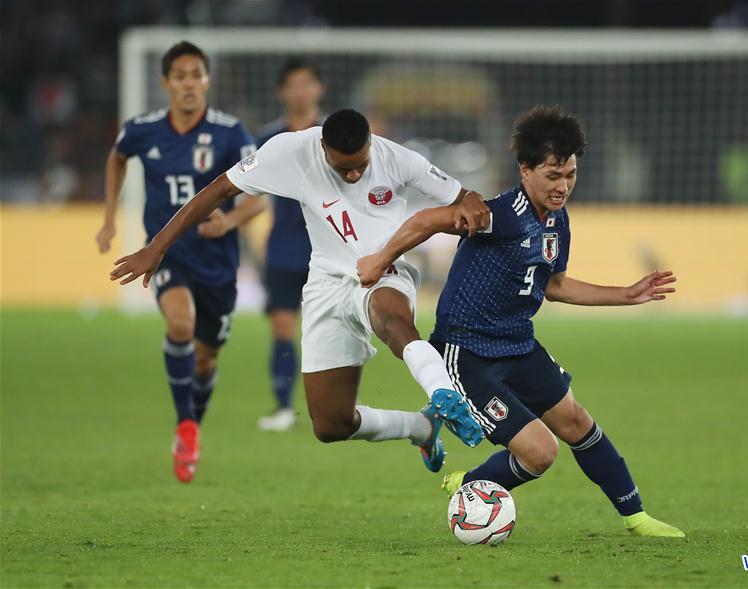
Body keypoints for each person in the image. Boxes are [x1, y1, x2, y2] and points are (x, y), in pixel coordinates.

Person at [357, 106, 685, 537]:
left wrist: (625, 294)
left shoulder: (556, 220)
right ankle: (472, 484)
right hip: (467, 354)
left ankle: (637, 517)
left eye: (570, 174)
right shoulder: (499, 216)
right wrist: (381, 259)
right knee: (540, 454)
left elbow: (556, 286)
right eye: (552, 175)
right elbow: (426, 219)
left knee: (577, 423)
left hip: (518, 344)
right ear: (525, 169)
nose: (563, 185)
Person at [109, 109, 490, 475]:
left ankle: (444, 393)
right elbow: (218, 190)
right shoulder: (288, 152)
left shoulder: (397, 158)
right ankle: (422, 428)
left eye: (362, 163)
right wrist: (156, 247)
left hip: (384, 270)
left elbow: (463, 196)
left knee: (392, 319)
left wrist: (472, 201)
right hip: (326, 283)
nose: (356, 173)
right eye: (344, 168)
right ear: (323, 149)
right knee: (330, 424)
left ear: (370, 142)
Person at [95, 41, 264, 483]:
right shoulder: (143, 129)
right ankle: (186, 426)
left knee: (206, 360)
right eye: (181, 76)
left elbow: (258, 199)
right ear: (166, 82)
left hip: (217, 262)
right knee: (181, 325)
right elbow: (116, 158)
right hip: (167, 253)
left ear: (207, 80)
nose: (189, 84)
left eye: (197, 75)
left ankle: (190, 425)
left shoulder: (230, 132)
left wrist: (227, 222)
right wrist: (111, 217)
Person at [255, 59, 324, 432]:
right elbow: (252, 194)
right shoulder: (267, 138)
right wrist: (229, 220)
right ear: (282, 92)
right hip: (282, 247)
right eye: (293, 84)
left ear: (319, 89)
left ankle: (340, 404)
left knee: (337, 329)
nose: (300, 91)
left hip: (328, 248)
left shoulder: (335, 135)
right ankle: (283, 407)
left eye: (307, 83)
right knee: (282, 327)